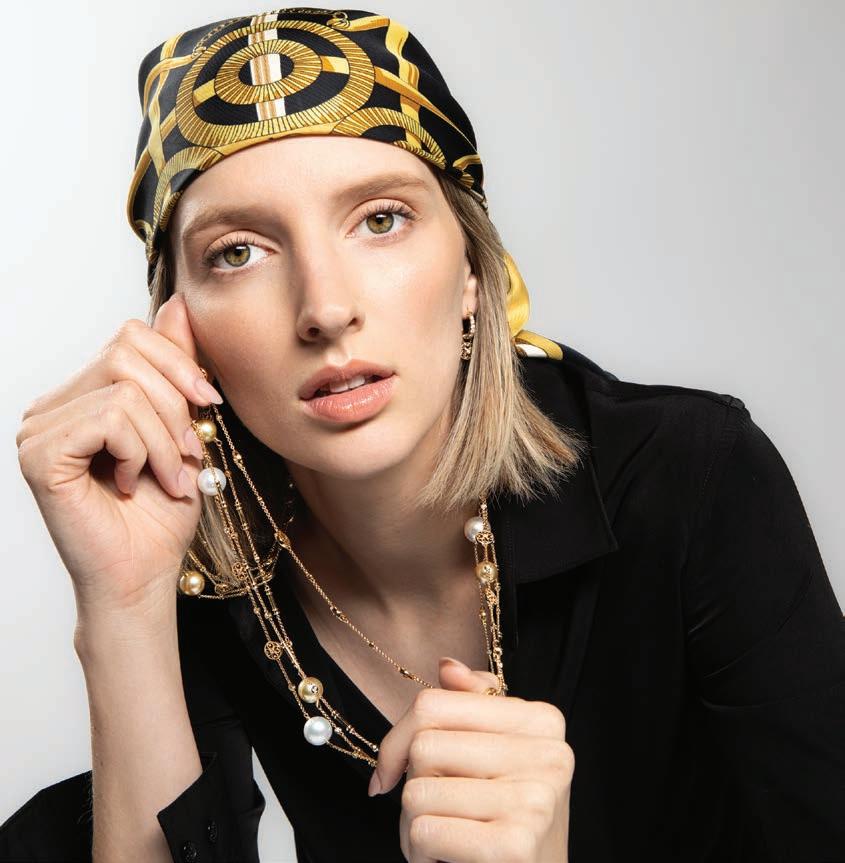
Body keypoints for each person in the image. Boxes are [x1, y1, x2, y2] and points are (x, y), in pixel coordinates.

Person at [2, 7, 843, 863]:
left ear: (475, 270)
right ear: (178, 328)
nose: (326, 308)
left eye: (380, 220)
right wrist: (122, 607)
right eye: (240, 252)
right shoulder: (198, 558)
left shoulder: (687, 479)